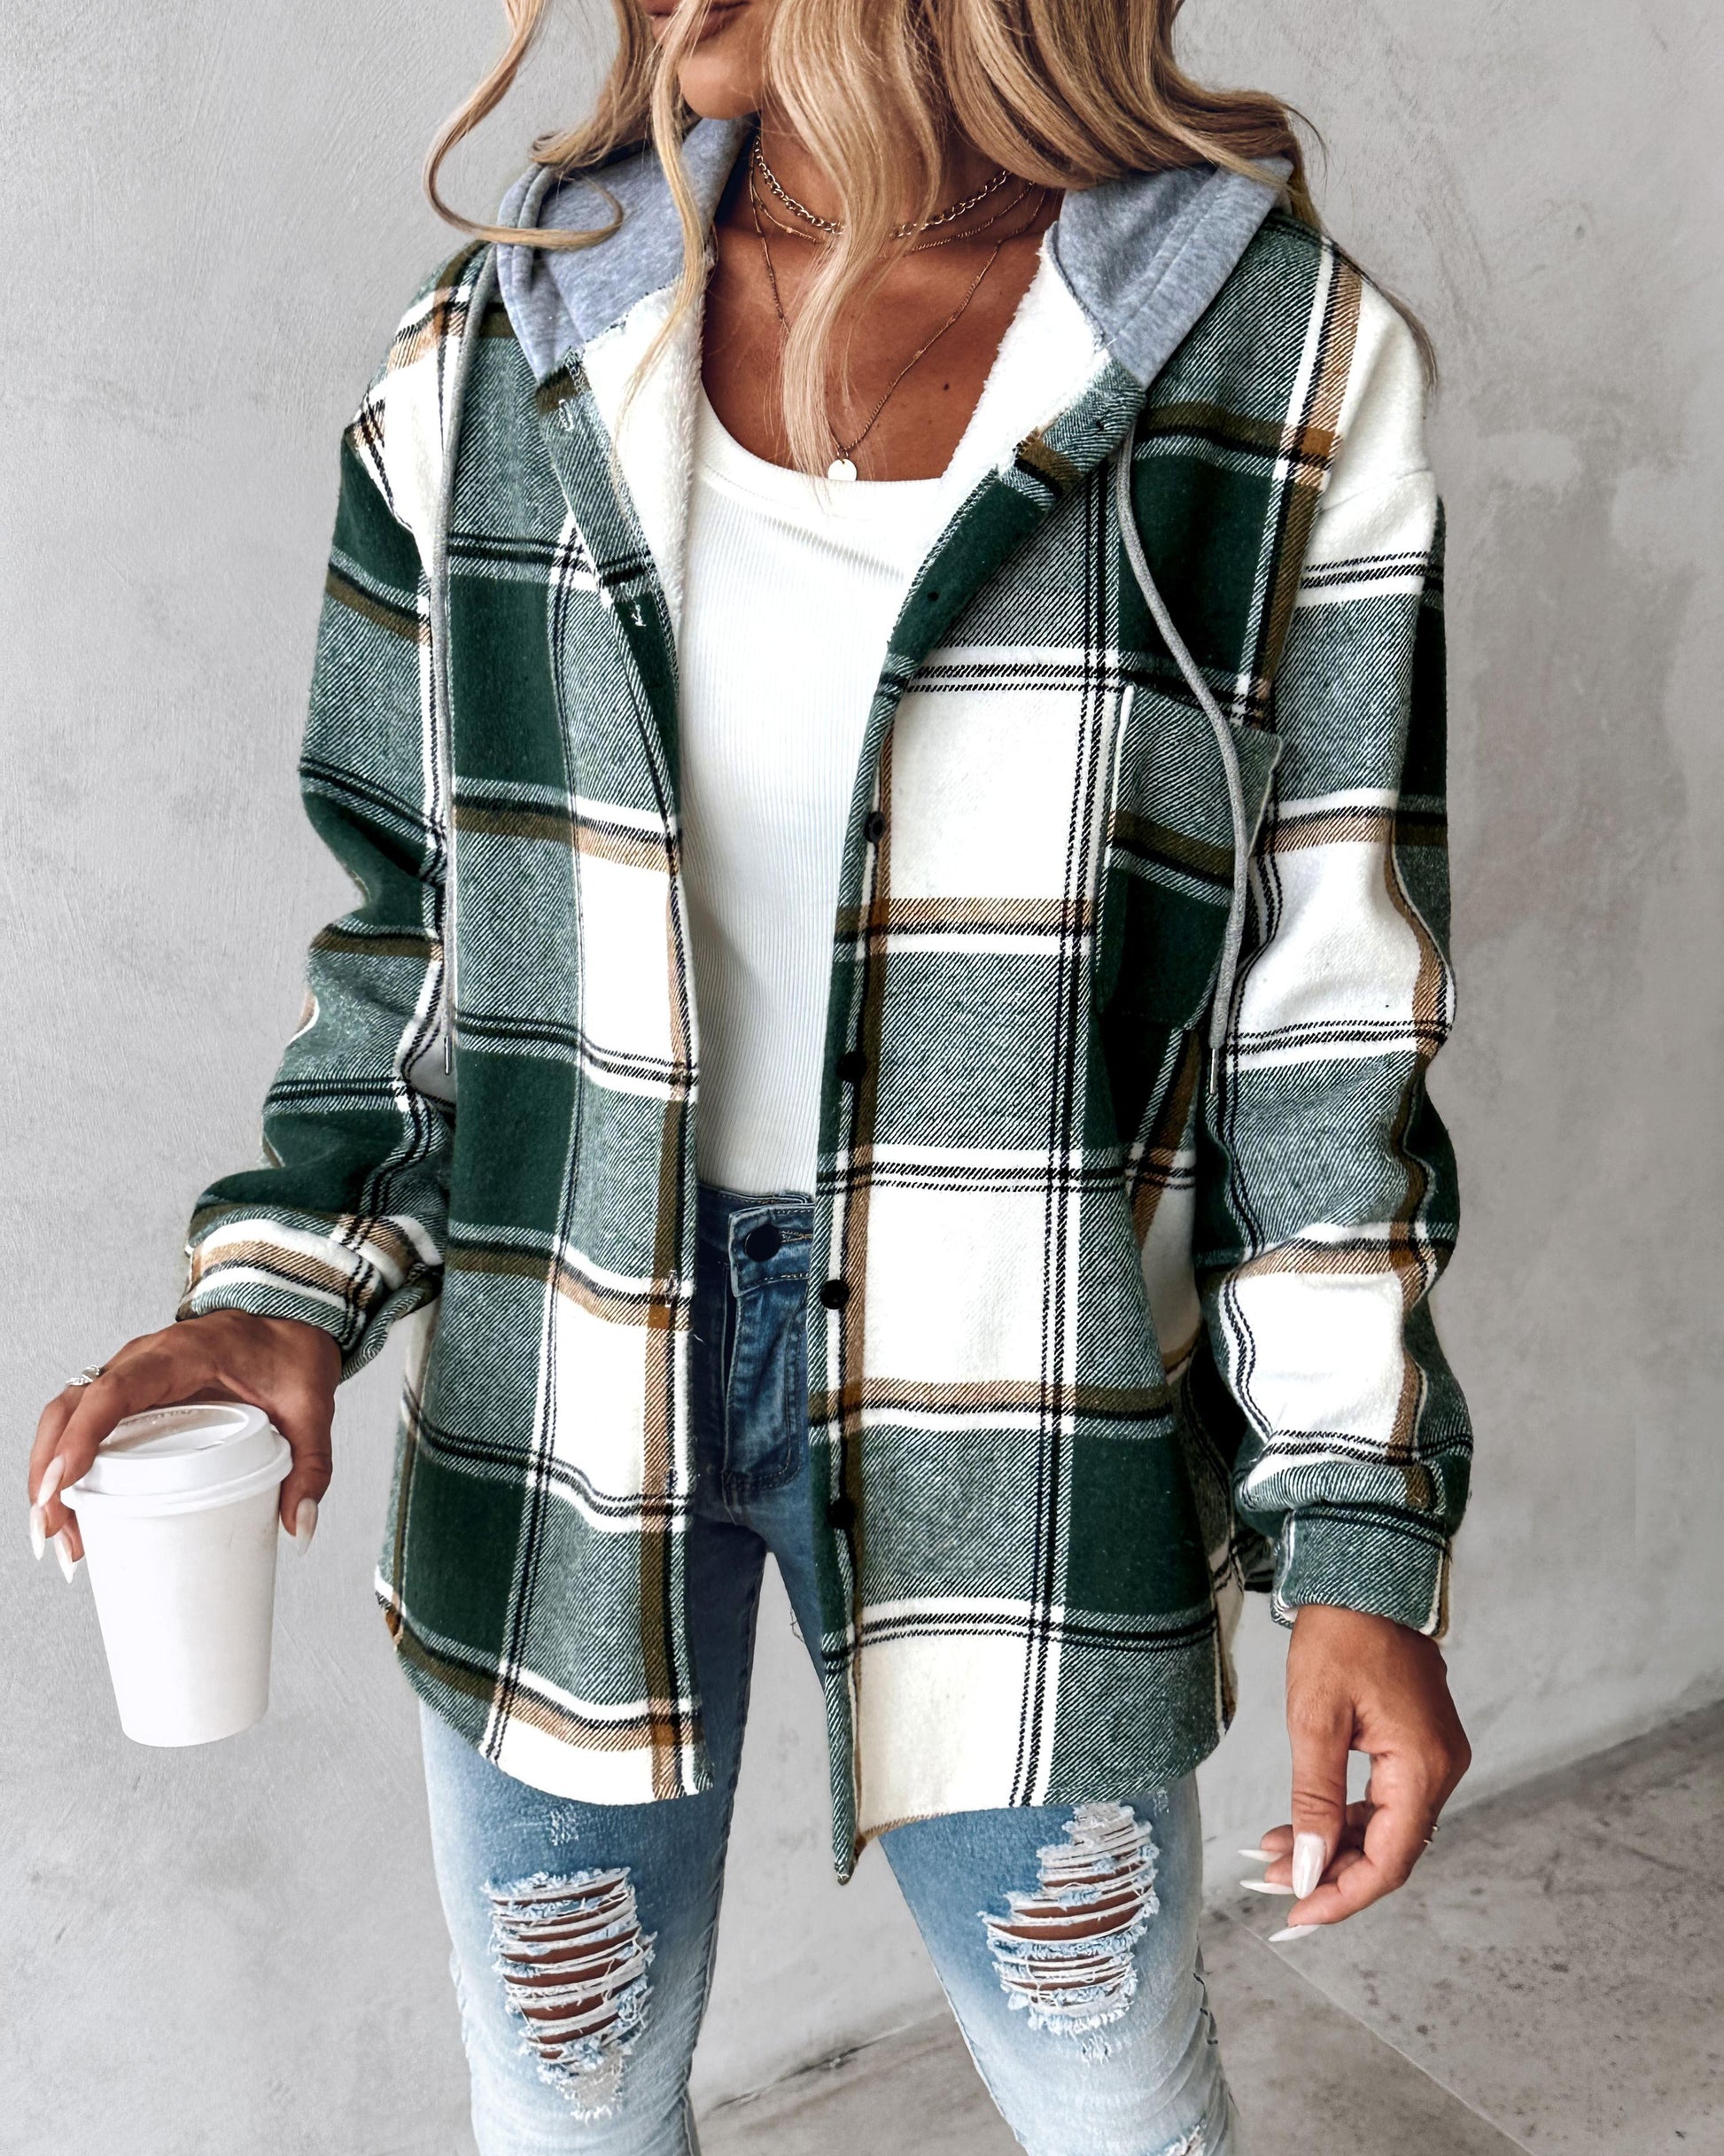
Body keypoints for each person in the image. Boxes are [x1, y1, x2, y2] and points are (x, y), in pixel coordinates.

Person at [28, 1, 1474, 2149]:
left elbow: (1326, 1014)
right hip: (565, 1376)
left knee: (1109, 2089)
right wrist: (278, 1289)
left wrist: (1355, 1533)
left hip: (1025, 1402)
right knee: (570, 2096)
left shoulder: (1271, 360)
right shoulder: (500, 349)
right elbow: (419, 933)